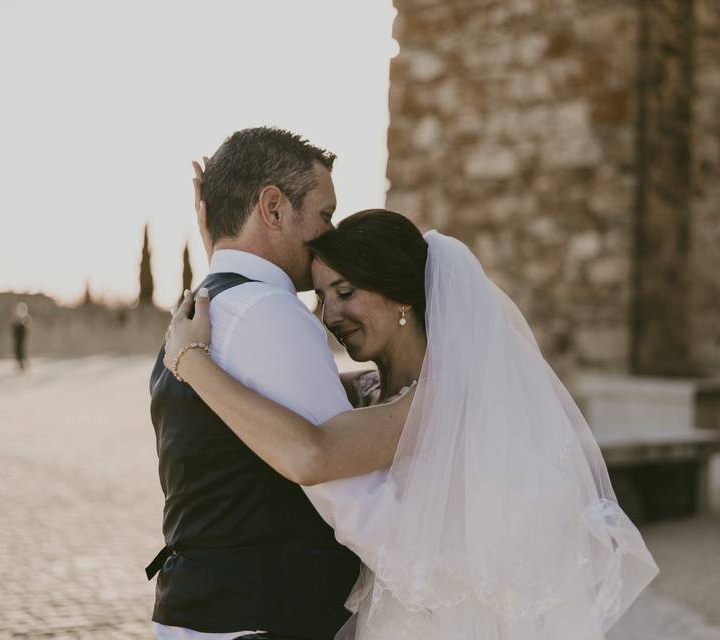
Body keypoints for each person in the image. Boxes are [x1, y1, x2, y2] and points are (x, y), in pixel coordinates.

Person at [164, 204, 659, 639]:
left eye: (346, 291)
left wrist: (191, 361)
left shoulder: (443, 403)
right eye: (321, 297)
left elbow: (314, 452)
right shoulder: (381, 393)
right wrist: (225, 249)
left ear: (401, 295)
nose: (329, 316)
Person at [147, 127, 377, 640]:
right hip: (264, 619)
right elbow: (344, 488)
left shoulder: (202, 305)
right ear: (273, 208)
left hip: (199, 613)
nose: (331, 233)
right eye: (324, 214)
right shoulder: (270, 311)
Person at [11, 302, 30, 372]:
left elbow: (26, 328)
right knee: (18, 351)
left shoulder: (26, 318)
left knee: (22, 351)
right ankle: (20, 366)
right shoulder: (16, 319)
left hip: (22, 338)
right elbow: (13, 328)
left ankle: (24, 366)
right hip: (17, 339)